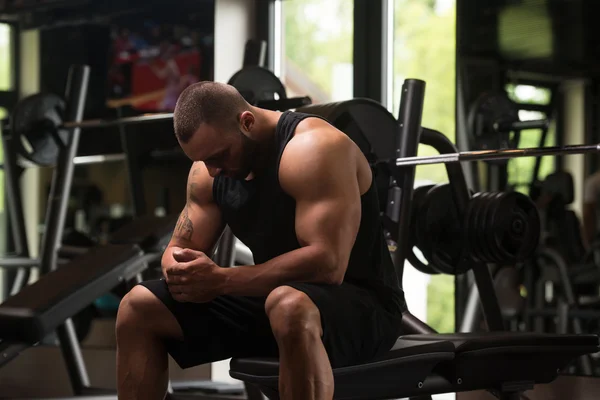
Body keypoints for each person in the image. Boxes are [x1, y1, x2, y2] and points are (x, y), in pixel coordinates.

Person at [115, 81, 407, 400]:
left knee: (288, 303)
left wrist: (221, 280)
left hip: (361, 307)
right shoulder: (208, 169)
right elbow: (180, 247)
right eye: (203, 161)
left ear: (247, 122)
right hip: (272, 302)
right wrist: (179, 270)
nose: (212, 171)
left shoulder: (314, 148)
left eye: (219, 156)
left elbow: (328, 266)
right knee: (138, 306)